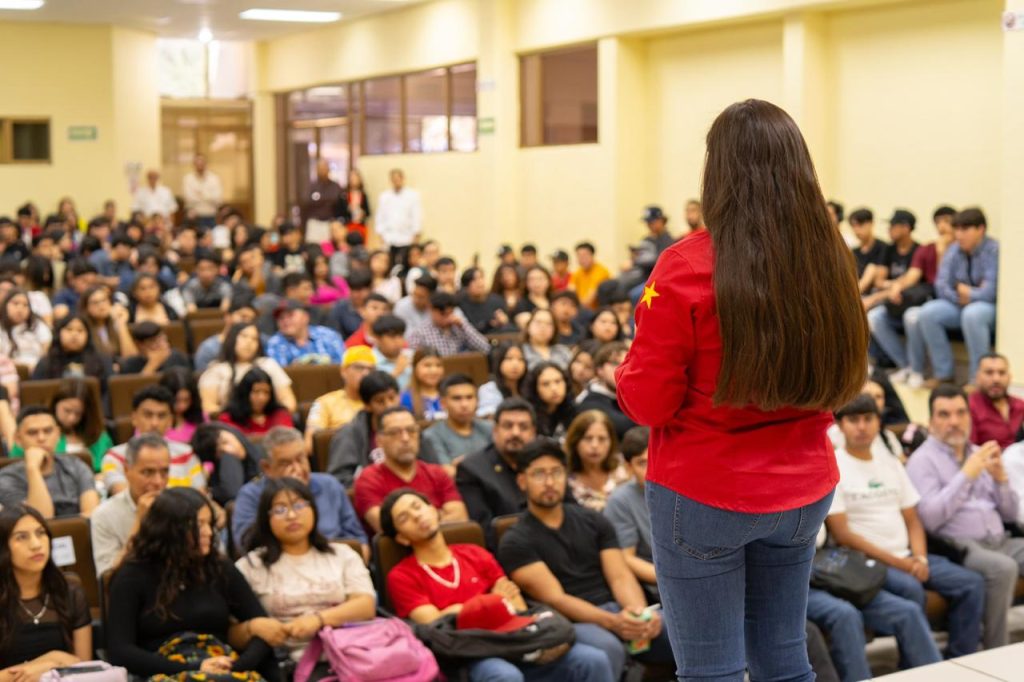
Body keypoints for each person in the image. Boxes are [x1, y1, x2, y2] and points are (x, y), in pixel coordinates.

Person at [615, 100, 869, 680]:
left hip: (704, 491)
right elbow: (842, 373)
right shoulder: (829, 258)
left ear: (717, 171)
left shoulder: (685, 266)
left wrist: (620, 374)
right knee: (784, 657)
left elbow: (648, 401)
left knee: (712, 672)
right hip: (803, 491)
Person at [381, 489, 614, 682]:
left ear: (433, 510)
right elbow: (436, 624)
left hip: (516, 636)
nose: (416, 515)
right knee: (505, 676)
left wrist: (461, 610)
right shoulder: (402, 575)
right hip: (469, 651)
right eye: (404, 518)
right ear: (401, 537)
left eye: (417, 506)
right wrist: (492, 602)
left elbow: (517, 603)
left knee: (593, 660)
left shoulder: (475, 553)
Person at [498, 439, 674, 681]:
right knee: (607, 648)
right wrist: (614, 623)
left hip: (617, 607)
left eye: (556, 472)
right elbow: (555, 598)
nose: (549, 482)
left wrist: (637, 613)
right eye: (539, 474)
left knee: (675, 626)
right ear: (522, 481)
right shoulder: (515, 540)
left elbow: (621, 576)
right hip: (572, 620)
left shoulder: (592, 519)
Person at [826, 394, 983, 661]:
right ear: (840, 425)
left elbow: (912, 519)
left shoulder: (889, 463)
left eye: (868, 419)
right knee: (910, 587)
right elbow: (843, 535)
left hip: (909, 556)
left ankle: (960, 659)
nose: (862, 426)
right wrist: (901, 563)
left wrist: (919, 557)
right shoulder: (834, 466)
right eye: (853, 420)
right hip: (867, 561)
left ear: (879, 423)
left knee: (971, 583)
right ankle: (916, 664)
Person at [106, 488, 276, 678]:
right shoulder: (132, 575)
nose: (208, 532)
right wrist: (195, 668)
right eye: (198, 525)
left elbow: (264, 629)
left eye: (209, 524)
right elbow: (120, 651)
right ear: (169, 529)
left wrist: (236, 666)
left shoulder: (218, 567)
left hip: (223, 665)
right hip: (163, 671)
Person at [906, 385, 1023, 650]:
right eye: (944, 415)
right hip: (959, 547)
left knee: (1006, 560)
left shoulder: (978, 452)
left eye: (960, 413)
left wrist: (1001, 480)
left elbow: (1009, 514)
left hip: (1000, 538)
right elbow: (931, 518)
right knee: (1003, 569)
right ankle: (996, 650)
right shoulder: (922, 461)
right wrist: (966, 475)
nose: (954, 422)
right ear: (931, 421)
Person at [235, 477, 376, 666]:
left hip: (351, 652)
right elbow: (231, 631)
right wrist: (252, 628)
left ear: (314, 510)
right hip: (287, 661)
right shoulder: (250, 566)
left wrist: (318, 620)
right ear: (265, 518)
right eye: (280, 509)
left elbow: (365, 605)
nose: (292, 515)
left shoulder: (342, 554)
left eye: (299, 505)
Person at [233, 426, 366, 556]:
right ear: (267, 468)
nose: (297, 469)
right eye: (285, 463)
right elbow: (245, 546)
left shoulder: (329, 485)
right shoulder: (251, 495)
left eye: (300, 459)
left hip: (333, 566)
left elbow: (360, 542)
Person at [0, 505, 92, 677]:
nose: (36, 545)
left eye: (40, 533)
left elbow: (84, 667)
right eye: (21, 537)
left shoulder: (70, 591)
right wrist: (50, 663)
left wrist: (51, 664)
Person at [869, 207, 956, 384]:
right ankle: (906, 365)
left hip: (941, 300)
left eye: (947, 221)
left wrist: (942, 251)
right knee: (875, 316)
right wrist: (897, 287)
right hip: (918, 300)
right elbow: (912, 275)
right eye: (938, 221)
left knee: (913, 316)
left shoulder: (958, 249)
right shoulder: (925, 249)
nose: (942, 226)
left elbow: (941, 283)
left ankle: (920, 370)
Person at [912, 208, 998, 385]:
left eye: (965, 229)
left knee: (972, 314)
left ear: (980, 229)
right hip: (958, 303)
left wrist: (970, 294)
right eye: (957, 229)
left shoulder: (993, 249)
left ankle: (977, 379)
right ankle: (944, 374)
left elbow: (991, 291)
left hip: (986, 307)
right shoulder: (954, 249)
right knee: (928, 312)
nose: (959, 235)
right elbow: (941, 284)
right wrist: (960, 295)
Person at [352, 407, 467, 534]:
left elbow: (460, 518)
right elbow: (387, 528)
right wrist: (437, 514)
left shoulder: (437, 473)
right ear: (379, 441)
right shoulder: (368, 479)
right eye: (394, 432)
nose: (405, 438)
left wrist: (410, 521)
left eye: (411, 430)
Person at [456, 398, 538, 548]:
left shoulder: (545, 462)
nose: (515, 433)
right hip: (508, 551)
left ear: (533, 432)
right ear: (495, 430)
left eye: (523, 427)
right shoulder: (472, 469)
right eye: (508, 426)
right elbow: (484, 533)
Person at [100, 385, 204, 496]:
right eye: (148, 415)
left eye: (161, 416)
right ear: (134, 418)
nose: (155, 423)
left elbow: (201, 497)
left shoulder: (187, 454)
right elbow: (125, 497)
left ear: (170, 420)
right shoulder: (114, 457)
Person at [90, 433, 171, 576]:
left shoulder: (182, 507)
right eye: (148, 472)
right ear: (127, 470)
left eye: (164, 472)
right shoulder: (104, 516)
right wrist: (140, 522)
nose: (158, 482)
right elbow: (108, 577)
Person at [0, 407, 99, 518]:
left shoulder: (76, 466)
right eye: (32, 433)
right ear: (18, 438)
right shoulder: (6, 478)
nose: (41, 438)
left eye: (48, 431)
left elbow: (92, 515)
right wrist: (33, 469)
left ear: (58, 434)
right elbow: (39, 520)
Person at [199, 322, 297, 415]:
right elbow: (208, 407)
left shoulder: (269, 365)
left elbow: (289, 402)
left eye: (254, 339)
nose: (249, 342)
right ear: (232, 338)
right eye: (244, 336)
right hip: (231, 424)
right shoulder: (216, 369)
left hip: (267, 423)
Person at [604, 426, 656, 595]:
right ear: (628, 467)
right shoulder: (621, 501)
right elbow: (626, 558)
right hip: (655, 585)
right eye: (642, 463)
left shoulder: (680, 491)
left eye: (656, 459)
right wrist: (676, 579)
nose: (652, 469)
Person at [326, 371, 401, 487]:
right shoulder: (348, 434)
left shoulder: (409, 427)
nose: (389, 406)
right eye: (380, 401)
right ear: (367, 405)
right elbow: (340, 480)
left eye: (392, 398)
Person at [304, 345, 376, 452]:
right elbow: (310, 444)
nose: (365, 373)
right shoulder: (324, 402)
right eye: (359, 367)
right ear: (343, 371)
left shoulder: (377, 403)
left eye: (370, 369)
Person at [422, 374, 494, 474]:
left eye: (469, 397)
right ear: (443, 403)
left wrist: (464, 464)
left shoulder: (490, 428)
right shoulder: (431, 436)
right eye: (457, 398)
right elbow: (447, 473)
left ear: (477, 400)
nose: (464, 404)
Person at [564, 411, 628, 512]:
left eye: (602, 439)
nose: (595, 445)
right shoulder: (564, 478)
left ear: (611, 441)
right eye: (588, 438)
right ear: (575, 441)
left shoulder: (624, 468)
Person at [575, 342, 636, 440]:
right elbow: (621, 427)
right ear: (599, 370)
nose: (623, 370)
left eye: (627, 363)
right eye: (615, 364)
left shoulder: (630, 394)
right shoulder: (588, 401)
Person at [217, 367, 295, 437]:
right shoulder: (228, 418)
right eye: (256, 392)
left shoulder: (280, 414)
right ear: (245, 393)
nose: (262, 398)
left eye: (266, 392)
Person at [408, 292, 490, 356]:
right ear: (431, 310)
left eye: (450, 313)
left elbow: (485, 348)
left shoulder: (459, 327)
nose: (448, 318)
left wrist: (463, 326)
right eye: (443, 314)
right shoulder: (419, 333)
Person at [266, 300, 345, 367]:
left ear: (305, 317)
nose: (285, 321)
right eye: (281, 318)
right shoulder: (275, 343)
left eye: (290, 315)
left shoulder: (328, 335)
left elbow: (343, 365)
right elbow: (279, 377)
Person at [969, 353, 1024, 448]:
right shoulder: (969, 407)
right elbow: (969, 451)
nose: (996, 379)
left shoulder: (1020, 405)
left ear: (1009, 377)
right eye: (989, 372)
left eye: (1002, 373)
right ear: (977, 377)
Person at [193, 295, 259, 373]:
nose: (247, 322)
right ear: (228, 317)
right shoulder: (209, 348)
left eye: (251, 319)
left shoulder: (257, 343)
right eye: (243, 316)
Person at [375, 168, 422, 265]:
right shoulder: (385, 196)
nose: (396, 181)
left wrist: (416, 235)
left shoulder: (412, 195)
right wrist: (381, 234)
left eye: (398, 178)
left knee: (405, 263)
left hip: (407, 237)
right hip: (389, 237)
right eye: (393, 179)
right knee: (389, 263)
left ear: (403, 178)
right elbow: (380, 216)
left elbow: (416, 216)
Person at [0, 287, 51, 372]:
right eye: (15, 304)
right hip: (8, 370)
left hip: (37, 370)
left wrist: (38, 366)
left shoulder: (38, 325)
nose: (20, 309)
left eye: (25, 305)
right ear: (5, 305)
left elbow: (47, 349)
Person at [78, 284, 135, 360]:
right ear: (86, 308)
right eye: (95, 302)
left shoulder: (116, 324)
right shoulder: (82, 328)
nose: (101, 305)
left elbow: (132, 358)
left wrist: (121, 324)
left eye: (104, 300)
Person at [522, 362, 575, 440]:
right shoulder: (527, 416)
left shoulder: (574, 411)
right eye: (545, 384)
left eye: (558, 381)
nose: (554, 388)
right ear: (535, 388)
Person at [119, 321, 191, 375]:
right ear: (139, 345)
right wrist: (151, 366)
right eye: (154, 341)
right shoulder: (129, 365)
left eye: (162, 339)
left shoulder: (177, 357)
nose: (162, 344)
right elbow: (130, 389)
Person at [477, 343, 528, 418]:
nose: (515, 364)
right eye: (509, 358)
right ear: (499, 362)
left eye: (520, 359)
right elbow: (488, 419)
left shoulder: (530, 388)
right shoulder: (488, 389)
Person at [458, 267, 513, 334]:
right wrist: (488, 325)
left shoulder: (497, 300)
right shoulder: (461, 304)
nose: (479, 282)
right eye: (474, 280)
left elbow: (511, 328)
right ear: (466, 286)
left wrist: (505, 322)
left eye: (481, 278)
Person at [160, 367, 206, 445]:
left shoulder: (200, 417)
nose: (182, 406)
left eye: (186, 400)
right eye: (176, 401)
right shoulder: (154, 419)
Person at [303, 159, 345, 241]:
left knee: (328, 248)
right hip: (315, 222)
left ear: (328, 170)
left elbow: (338, 202)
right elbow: (307, 202)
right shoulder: (312, 186)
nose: (323, 171)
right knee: (313, 247)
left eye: (325, 168)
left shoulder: (335, 186)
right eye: (320, 169)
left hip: (329, 223)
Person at [400, 348, 446, 422]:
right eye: (427, 365)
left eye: (438, 365)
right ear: (414, 368)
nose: (434, 370)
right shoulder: (405, 398)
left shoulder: (449, 394)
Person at [181, 249, 232, 313]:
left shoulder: (224, 286)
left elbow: (224, 311)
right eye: (202, 269)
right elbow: (192, 312)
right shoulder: (189, 287)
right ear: (196, 270)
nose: (206, 273)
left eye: (210, 268)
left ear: (217, 269)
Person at [370, 315, 413, 390]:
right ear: (377, 338)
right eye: (392, 336)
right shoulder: (368, 360)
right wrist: (397, 371)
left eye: (401, 336)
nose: (398, 341)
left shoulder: (412, 355)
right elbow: (370, 391)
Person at [182, 154, 223, 228]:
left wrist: (200, 194)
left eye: (202, 162)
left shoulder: (214, 179)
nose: (200, 165)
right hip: (194, 216)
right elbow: (189, 198)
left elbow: (217, 199)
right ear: (194, 164)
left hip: (211, 215)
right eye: (197, 163)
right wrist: (208, 195)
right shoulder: (188, 179)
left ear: (206, 163)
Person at [570, 243, 610, 311]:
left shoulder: (601, 272)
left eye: (585, 255)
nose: (582, 259)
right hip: (580, 309)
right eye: (579, 256)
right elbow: (570, 293)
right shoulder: (577, 273)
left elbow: (588, 301)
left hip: (597, 311)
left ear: (592, 255)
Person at [341, 168, 372, 241]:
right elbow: (338, 212)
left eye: (356, 177)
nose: (354, 180)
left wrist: (363, 213)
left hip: (360, 226)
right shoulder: (343, 195)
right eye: (352, 178)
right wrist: (348, 209)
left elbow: (368, 212)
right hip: (347, 226)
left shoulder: (363, 195)